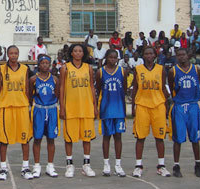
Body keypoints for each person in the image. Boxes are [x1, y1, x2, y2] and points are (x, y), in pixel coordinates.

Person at [132, 46, 171, 177]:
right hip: (142, 105)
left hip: (158, 105)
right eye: (146, 53)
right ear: (143, 55)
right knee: (140, 137)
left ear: (155, 55)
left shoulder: (161, 70)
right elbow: (135, 89)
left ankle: (161, 165)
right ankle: (138, 166)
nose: (149, 55)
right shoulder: (138, 69)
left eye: (151, 53)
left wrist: (166, 105)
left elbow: (164, 89)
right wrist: (133, 106)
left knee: (159, 137)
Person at [60, 43, 97, 178]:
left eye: (80, 51)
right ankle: (69, 164)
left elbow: (92, 88)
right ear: (71, 53)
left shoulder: (88, 68)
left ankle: (86, 165)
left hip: (86, 106)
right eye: (75, 51)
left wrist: (95, 105)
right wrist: (62, 107)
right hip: (71, 107)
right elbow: (62, 88)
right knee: (69, 138)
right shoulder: (65, 68)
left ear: (83, 53)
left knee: (86, 137)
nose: (77, 53)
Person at [0, 45, 33, 180]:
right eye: (11, 53)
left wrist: (29, 108)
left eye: (15, 53)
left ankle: (25, 167)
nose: (13, 55)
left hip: (22, 106)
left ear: (18, 54)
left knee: (25, 138)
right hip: (6, 107)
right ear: (7, 54)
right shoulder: (1, 69)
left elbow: (27, 90)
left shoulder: (24, 69)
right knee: (4, 139)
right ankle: (3, 168)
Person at [168, 48, 200, 178]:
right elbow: (172, 86)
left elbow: (197, 84)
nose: (181, 57)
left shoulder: (196, 69)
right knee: (178, 138)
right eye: (178, 55)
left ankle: (198, 164)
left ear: (188, 56)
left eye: (183, 54)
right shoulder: (173, 71)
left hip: (193, 105)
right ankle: (176, 165)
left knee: (195, 138)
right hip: (179, 106)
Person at [95, 49, 127, 177]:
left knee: (118, 136)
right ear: (106, 58)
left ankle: (118, 164)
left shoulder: (122, 71)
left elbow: (123, 89)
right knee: (107, 136)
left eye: (115, 58)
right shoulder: (100, 72)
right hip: (106, 108)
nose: (113, 60)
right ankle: (106, 164)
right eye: (110, 57)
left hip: (119, 108)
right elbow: (98, 89)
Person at [30, 54, 59, 178]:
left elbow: (58, 94)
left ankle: (50, 165)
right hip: (39, 110)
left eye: (47, 63)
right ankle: (36, 166)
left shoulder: (55, 79)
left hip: (52, 110)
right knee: (37, 138)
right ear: (39, 64)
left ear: (50, 65)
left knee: (51, 138)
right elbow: (28, 95)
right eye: (42, 63)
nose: (45, 65)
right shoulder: (33, 79)